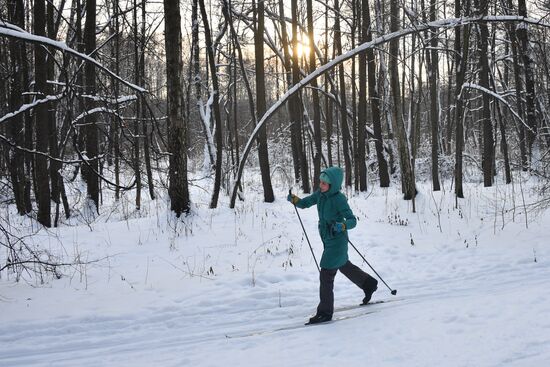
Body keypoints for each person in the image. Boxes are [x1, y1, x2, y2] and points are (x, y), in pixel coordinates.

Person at [287, 166, 378, 324]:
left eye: (324, 183)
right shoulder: (320, 195)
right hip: (327, 238)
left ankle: (325, 312)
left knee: (326, 273)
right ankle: (369, 284)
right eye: (320, 182)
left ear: (333, 184)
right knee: (343, 265)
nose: (320, 185)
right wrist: (294, 200)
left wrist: (342, 226)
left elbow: (352, 220)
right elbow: (305, 203)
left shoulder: (339, 199)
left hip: (338, 240)